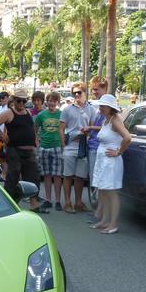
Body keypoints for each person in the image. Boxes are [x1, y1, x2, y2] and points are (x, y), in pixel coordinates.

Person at [0, 91, 47, 213]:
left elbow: (32, 128)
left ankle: (34, 203)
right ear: (14, 100)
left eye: (24, 101)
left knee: (34, 177)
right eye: (19, 100)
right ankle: (8, 205)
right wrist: (3, 137)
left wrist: (35, 140)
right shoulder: (9, 113)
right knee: (13, 177)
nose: (21, 103)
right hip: (15, 150)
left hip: (29, 151)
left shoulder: (27, 112)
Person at [89, 94, 131, 234]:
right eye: (100, 106)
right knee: (104, 191)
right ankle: (104, 221)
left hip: (111, 161)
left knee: (111, 192)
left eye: (103, 106)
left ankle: (113, 224)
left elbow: (127, 137)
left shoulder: (115, 121)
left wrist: (119, 152)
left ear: (110, 108)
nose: (100, 108)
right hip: (103, 160)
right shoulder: (106, 121)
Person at [59, 82, 95, 213]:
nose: (77, 95)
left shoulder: (91, 109)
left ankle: (78, 202)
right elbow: (61, 129)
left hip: (83, 147)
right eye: (74, 93)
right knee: (68, 175)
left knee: (80, 177)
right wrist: (64, 146)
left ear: (85, 93)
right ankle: (67, 203)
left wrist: (88, 135)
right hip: (70, 147)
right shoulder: (67, 109)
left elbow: (92, 127)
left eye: (79, 92)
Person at [84, 76, 109, 223]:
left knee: (99, 181)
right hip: (93, 145)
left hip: (100, 147)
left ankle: (100, 215)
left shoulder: (107, 107)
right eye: (93, 89)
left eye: (96, 89)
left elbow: (111, 126)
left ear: (104, 88)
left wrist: (91, 128)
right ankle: (98, 212)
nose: (94, 92)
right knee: (95, 180)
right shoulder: (98, 106)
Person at [34, 92, 63, 211]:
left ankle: (57, 200)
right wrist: (37, 143)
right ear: (47, 101)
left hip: (57, 146)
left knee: (57, 175)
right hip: (44, 147)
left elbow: (65, 129)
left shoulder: (61, 114)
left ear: (57, 102)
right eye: (49, 100)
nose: (51, 103)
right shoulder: (41, 115)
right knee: (46, 175)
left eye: (54, 101)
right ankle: (48, 199)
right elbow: (35, 129)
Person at [0, 91, 10, 179]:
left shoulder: (7, 109)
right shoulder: (1, 108)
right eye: (0, 98)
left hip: (4, 135)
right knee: (0, 156)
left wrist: (5, 136)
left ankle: (4, 174)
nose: (0, 99)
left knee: (2, 156)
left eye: (3, 97)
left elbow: (6, 124)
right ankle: (4, 173)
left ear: (7, 98)